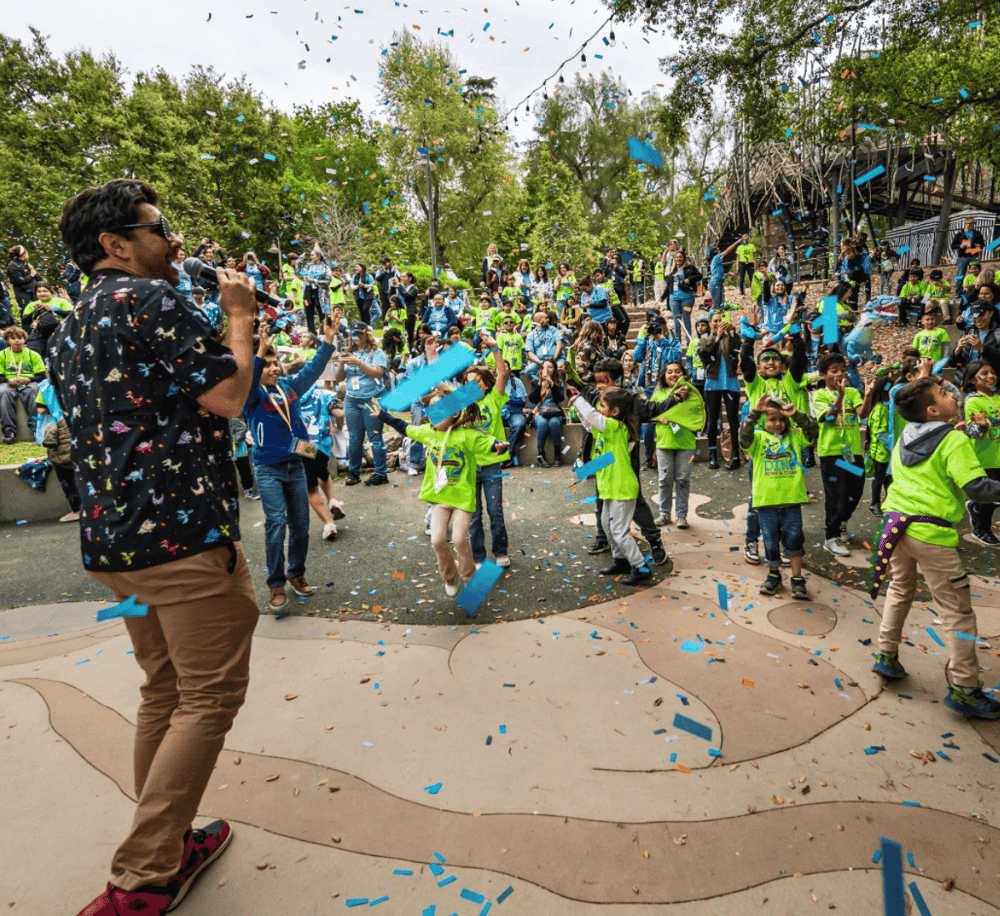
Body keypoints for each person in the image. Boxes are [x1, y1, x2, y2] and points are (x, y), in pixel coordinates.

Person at [51, 179, 261, 916]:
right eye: (159, 228)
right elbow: (228, 398)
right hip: (181, 543)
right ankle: (141, 880)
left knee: (165, 690)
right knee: (207, 697)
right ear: (115, 245)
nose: (174, 241)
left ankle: (165, 844)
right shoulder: (152, 300)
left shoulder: (70, 324)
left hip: (114, 549)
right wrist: (240, 318)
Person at [871, 376, 1000, 719]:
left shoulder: (905, 438)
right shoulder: (953, 441)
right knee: (957, 612)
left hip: (896, 528)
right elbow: (978, 488)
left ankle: (887, 654)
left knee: (900, 589)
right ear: (932, 410)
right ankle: (965, 688)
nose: (952, 393)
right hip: (932, 535)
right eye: (944, 393)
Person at [375, 394, 508, 599]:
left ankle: (469, 576)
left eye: (438, 408)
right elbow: (404, 427)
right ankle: (449, 577)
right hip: (440, 499)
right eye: (430, 408)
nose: (432, 412)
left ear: (454, 413)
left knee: (458, 539)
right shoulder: (428, 433)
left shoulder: (466, 435)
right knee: (437, 541)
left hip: (462, 499)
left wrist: (497, 445)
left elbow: (487, 442)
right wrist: (382, 415)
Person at [244, 323, 336, 609]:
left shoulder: (290, 389)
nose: (273, 368)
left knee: (301, 525)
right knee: (276, 524)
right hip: (268, 470)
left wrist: (328, 341)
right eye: (267, 365)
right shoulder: (252, 396)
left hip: (295, 465)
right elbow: (247, 380)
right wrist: (258, 353)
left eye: (275, 363)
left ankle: (296, 574)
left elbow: (313, 370)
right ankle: (275, 584)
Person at [576, 358, 670, 567]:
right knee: (603, 496)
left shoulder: (632, 400)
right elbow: (590, 425)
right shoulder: (595, 395)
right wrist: (586, 465)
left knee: (634, 501)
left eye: (604, 380)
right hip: (603, 460)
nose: (599, 385)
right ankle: (605, 538)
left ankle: (654, 541)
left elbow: (654, 409)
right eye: (597, 380)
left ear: (617, 380)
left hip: (624, 462)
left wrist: (676, 400)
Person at [570, 386, 651, 586]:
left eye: (603, 405)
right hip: (610, 488)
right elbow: (606, 455)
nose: (599, 408)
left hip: (622, 489)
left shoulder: (616, 428)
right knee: (607, 525)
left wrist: (578, 398)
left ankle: (641, 567)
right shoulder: (605, 432)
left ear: (615, 412)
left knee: (619, 531)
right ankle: (621, 560)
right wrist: (585, 471)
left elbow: (591, 416)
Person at [739, 394, 819, 598]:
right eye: (772, 419)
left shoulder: (795, 436)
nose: (777, 423)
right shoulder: (757, 439)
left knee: (794, 539)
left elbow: (813, 430)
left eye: (781, 419)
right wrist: (755, 413)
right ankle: (773, 576)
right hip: (766, 502)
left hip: (791, 501)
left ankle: (797, 578)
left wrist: (796, 415)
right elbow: (743, 437)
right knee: (770, 541)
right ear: (763, 421)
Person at [814, 352, 871, 556]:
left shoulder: (853, 392)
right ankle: (831, 537)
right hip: (831, 451)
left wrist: (868, 394)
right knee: (835, 494)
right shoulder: (820, 395)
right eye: (833, 370)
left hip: (848, 450)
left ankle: (842, 521)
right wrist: (839, 396)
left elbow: (862, 414)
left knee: (855, 489)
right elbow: (829, 419)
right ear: (823, 375)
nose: (839, 374)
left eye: (842, 370)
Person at [462, 341, 512, 567]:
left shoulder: (494, 399)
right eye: (469, 383)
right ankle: (478, 556)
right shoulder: (460, 404)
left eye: (478, 381)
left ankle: (500, 552)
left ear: (484, 383)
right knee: (473, 515)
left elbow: (502, 374)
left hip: (492, 466)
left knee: (495, 511)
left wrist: (495, 348)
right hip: (469, 467)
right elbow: (435, 414)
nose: (474, 385)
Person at [650, 360, 703, 529]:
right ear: (663, 376)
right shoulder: (659, 394)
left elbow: (697, 415)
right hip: (664, 442)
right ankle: (664, 514)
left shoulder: (692, 395)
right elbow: (652, 414)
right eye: (669, 372)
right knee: (664, 479)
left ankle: (681, 515)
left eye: (677, 371)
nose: (673, 374)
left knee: (683, 480)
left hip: (686, 443)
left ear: (684, 374)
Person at [962, 360, 1000, 545]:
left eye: (992, 372)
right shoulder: (972, 402)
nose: (990, 376)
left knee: (995, 497)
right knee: (989, 498)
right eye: (984, 373)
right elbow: (973, 433)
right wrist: (982, 427)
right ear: (972, 380)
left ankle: (976, 506)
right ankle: (981, 529)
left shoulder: (999, 397)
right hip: (985, 458)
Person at [699, 311, 742, 470]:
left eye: (721, 320)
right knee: (712, 420)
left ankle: (735, 455)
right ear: (710, 323)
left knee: (733, 420)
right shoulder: (705, 340)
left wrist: (731, 331)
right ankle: (712, 455)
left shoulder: (732, 338)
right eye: (715, 321)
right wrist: (717, 337)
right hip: (712, 383)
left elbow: (737, 348)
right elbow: (705, 355)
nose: (718, 323)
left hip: (730, 382)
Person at [36, 387, 80, 522]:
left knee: (67, 478)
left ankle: (77, 510)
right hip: (79, 428)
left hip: (61, 443)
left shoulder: (45, 386)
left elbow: (41, 409)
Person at [0, 325, 45, 443]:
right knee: (4, 393)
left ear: (24, 339)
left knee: (33, 391)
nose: (17, 340)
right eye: (13, 338)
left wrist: (29, 379)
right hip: (8, 383)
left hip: (29, 382)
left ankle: (36, 429)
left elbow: (41, 375)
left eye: (20, 338)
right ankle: (9, 431)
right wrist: (8, 380)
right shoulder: (2, 355)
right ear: (7, 340)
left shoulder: (33, 354)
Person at [528, 358, 565, 466]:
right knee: (543, 422)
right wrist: (540, 384)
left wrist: (552, 384)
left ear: (554, 369)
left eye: (550, 367)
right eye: (545, 367)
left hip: (554, 411)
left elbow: (560, 399)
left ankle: (557, 455)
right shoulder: (535, 381)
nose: (547, 369)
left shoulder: (559, 381)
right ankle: (541, 454)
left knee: (554, 422)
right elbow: (532, 399)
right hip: (539, 411)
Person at [867, 374, 893, 516]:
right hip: (881, 451)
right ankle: (874, 504)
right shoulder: (880, 409)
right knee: (879, 478)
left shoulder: (884, 406)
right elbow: (881, 433)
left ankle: (888, 503)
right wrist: (892, 447)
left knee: (887, 478)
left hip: (884, 452)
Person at [663, 249, 702, 341]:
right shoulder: (672, 272)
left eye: (681, 257)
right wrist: (662, 297)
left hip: (687, 298)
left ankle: (689, 341)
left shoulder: (690, 268)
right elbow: (668, 287)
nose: (678, 259)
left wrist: (690, 279)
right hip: (674, 299)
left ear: (684, 258)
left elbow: (699, 276)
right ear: (674, 259)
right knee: (676, 319)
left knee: (686, 318)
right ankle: (677, 342)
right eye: (677, 257)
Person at [951, 216, 986, 298]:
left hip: (974, 255)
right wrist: (960, 245)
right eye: (970, 223)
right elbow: (953, 246)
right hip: (963, 257)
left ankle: (977, 291)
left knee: (977, 273)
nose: (971, 225)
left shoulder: (977, 233)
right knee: (960, 274)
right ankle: (958, 293)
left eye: (973, 223)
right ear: (965, 224)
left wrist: (979, 247)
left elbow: (982, 243)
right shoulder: (959, 234)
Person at [707, 239, 739, 310]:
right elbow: (729, 250)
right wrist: (738, 241)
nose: (720, 251)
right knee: (716, 305)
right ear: (715, 252)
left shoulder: (715, 261)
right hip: (715, 284)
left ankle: (720, 319)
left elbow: (719, 274)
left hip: (718, 283)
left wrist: (730, 274)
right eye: (718, 250)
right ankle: (712, 319)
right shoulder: (717, 257)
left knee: (721, 304)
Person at [7, 245, 37, 309]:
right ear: (22, 254)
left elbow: (36, 277)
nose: (27, 252)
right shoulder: (13, 265)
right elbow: (20, 280)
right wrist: (31, 275)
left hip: (34, 292)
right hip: (24, 294)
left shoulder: (26, 264)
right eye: (25, 251)